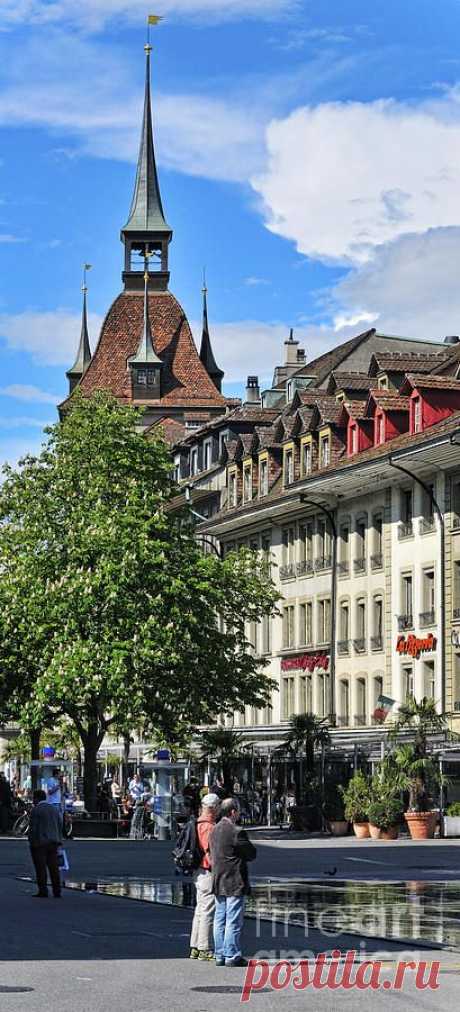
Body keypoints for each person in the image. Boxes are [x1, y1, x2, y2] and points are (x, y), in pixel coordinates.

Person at [209, 797, 257, 967]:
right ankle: (232, 955)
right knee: (233, 920)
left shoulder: (214, 830)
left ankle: (219, 954)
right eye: (238, 811)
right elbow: (251, 854)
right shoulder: (237, 831)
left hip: (218, 879)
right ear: (233, 812)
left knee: (219, 919)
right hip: (234, 880)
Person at [189, 793, 220, 962]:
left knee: (200, 909)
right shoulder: (208, 826)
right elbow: (210, 851)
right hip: (207, 870)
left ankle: (195, 946)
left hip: (198, 871)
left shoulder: (197, 823)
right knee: (208, 910)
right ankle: (205, 948)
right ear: (213, 808)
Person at [28, 789, 63, 898]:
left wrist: (31, 841)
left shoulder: (36, 810)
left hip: (40, 843)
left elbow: (33, 828)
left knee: (41, 867)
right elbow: (60, 824)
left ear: (37, 798)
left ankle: (43, 890)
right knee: (54, 867)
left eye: (33, 798)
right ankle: (57, 891)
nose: (33, 801)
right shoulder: (54, 809)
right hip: (54, 842)